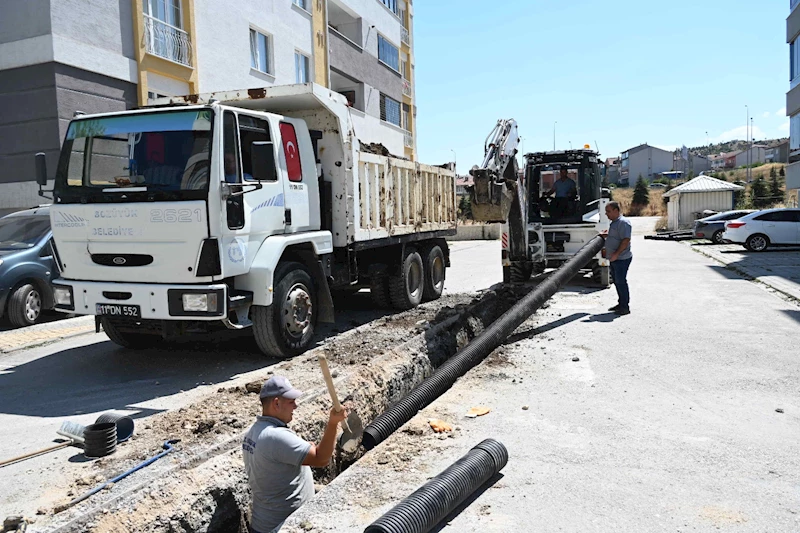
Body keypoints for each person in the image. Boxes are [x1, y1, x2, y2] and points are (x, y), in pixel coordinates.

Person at [243, 376, 347, 533]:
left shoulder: (256, 430)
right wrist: (333, 423)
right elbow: (322, 458)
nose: (296, 406)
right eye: (291, 401)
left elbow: (281, 456)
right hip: (281, 526)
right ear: (276, 403)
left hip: (264, 523)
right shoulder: (275, 437)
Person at [602, 201, 632, 315]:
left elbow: (625, 240)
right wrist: (607, 235)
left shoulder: (623, 223)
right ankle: (621, 304)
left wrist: (616, 254)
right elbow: (616, 236)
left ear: (616, 210)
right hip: (615, 258)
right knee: (617, 282)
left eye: (608, 211)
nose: (606, 214)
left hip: (621, 258)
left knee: (621, 282)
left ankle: (625, 307)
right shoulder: (614, 223)